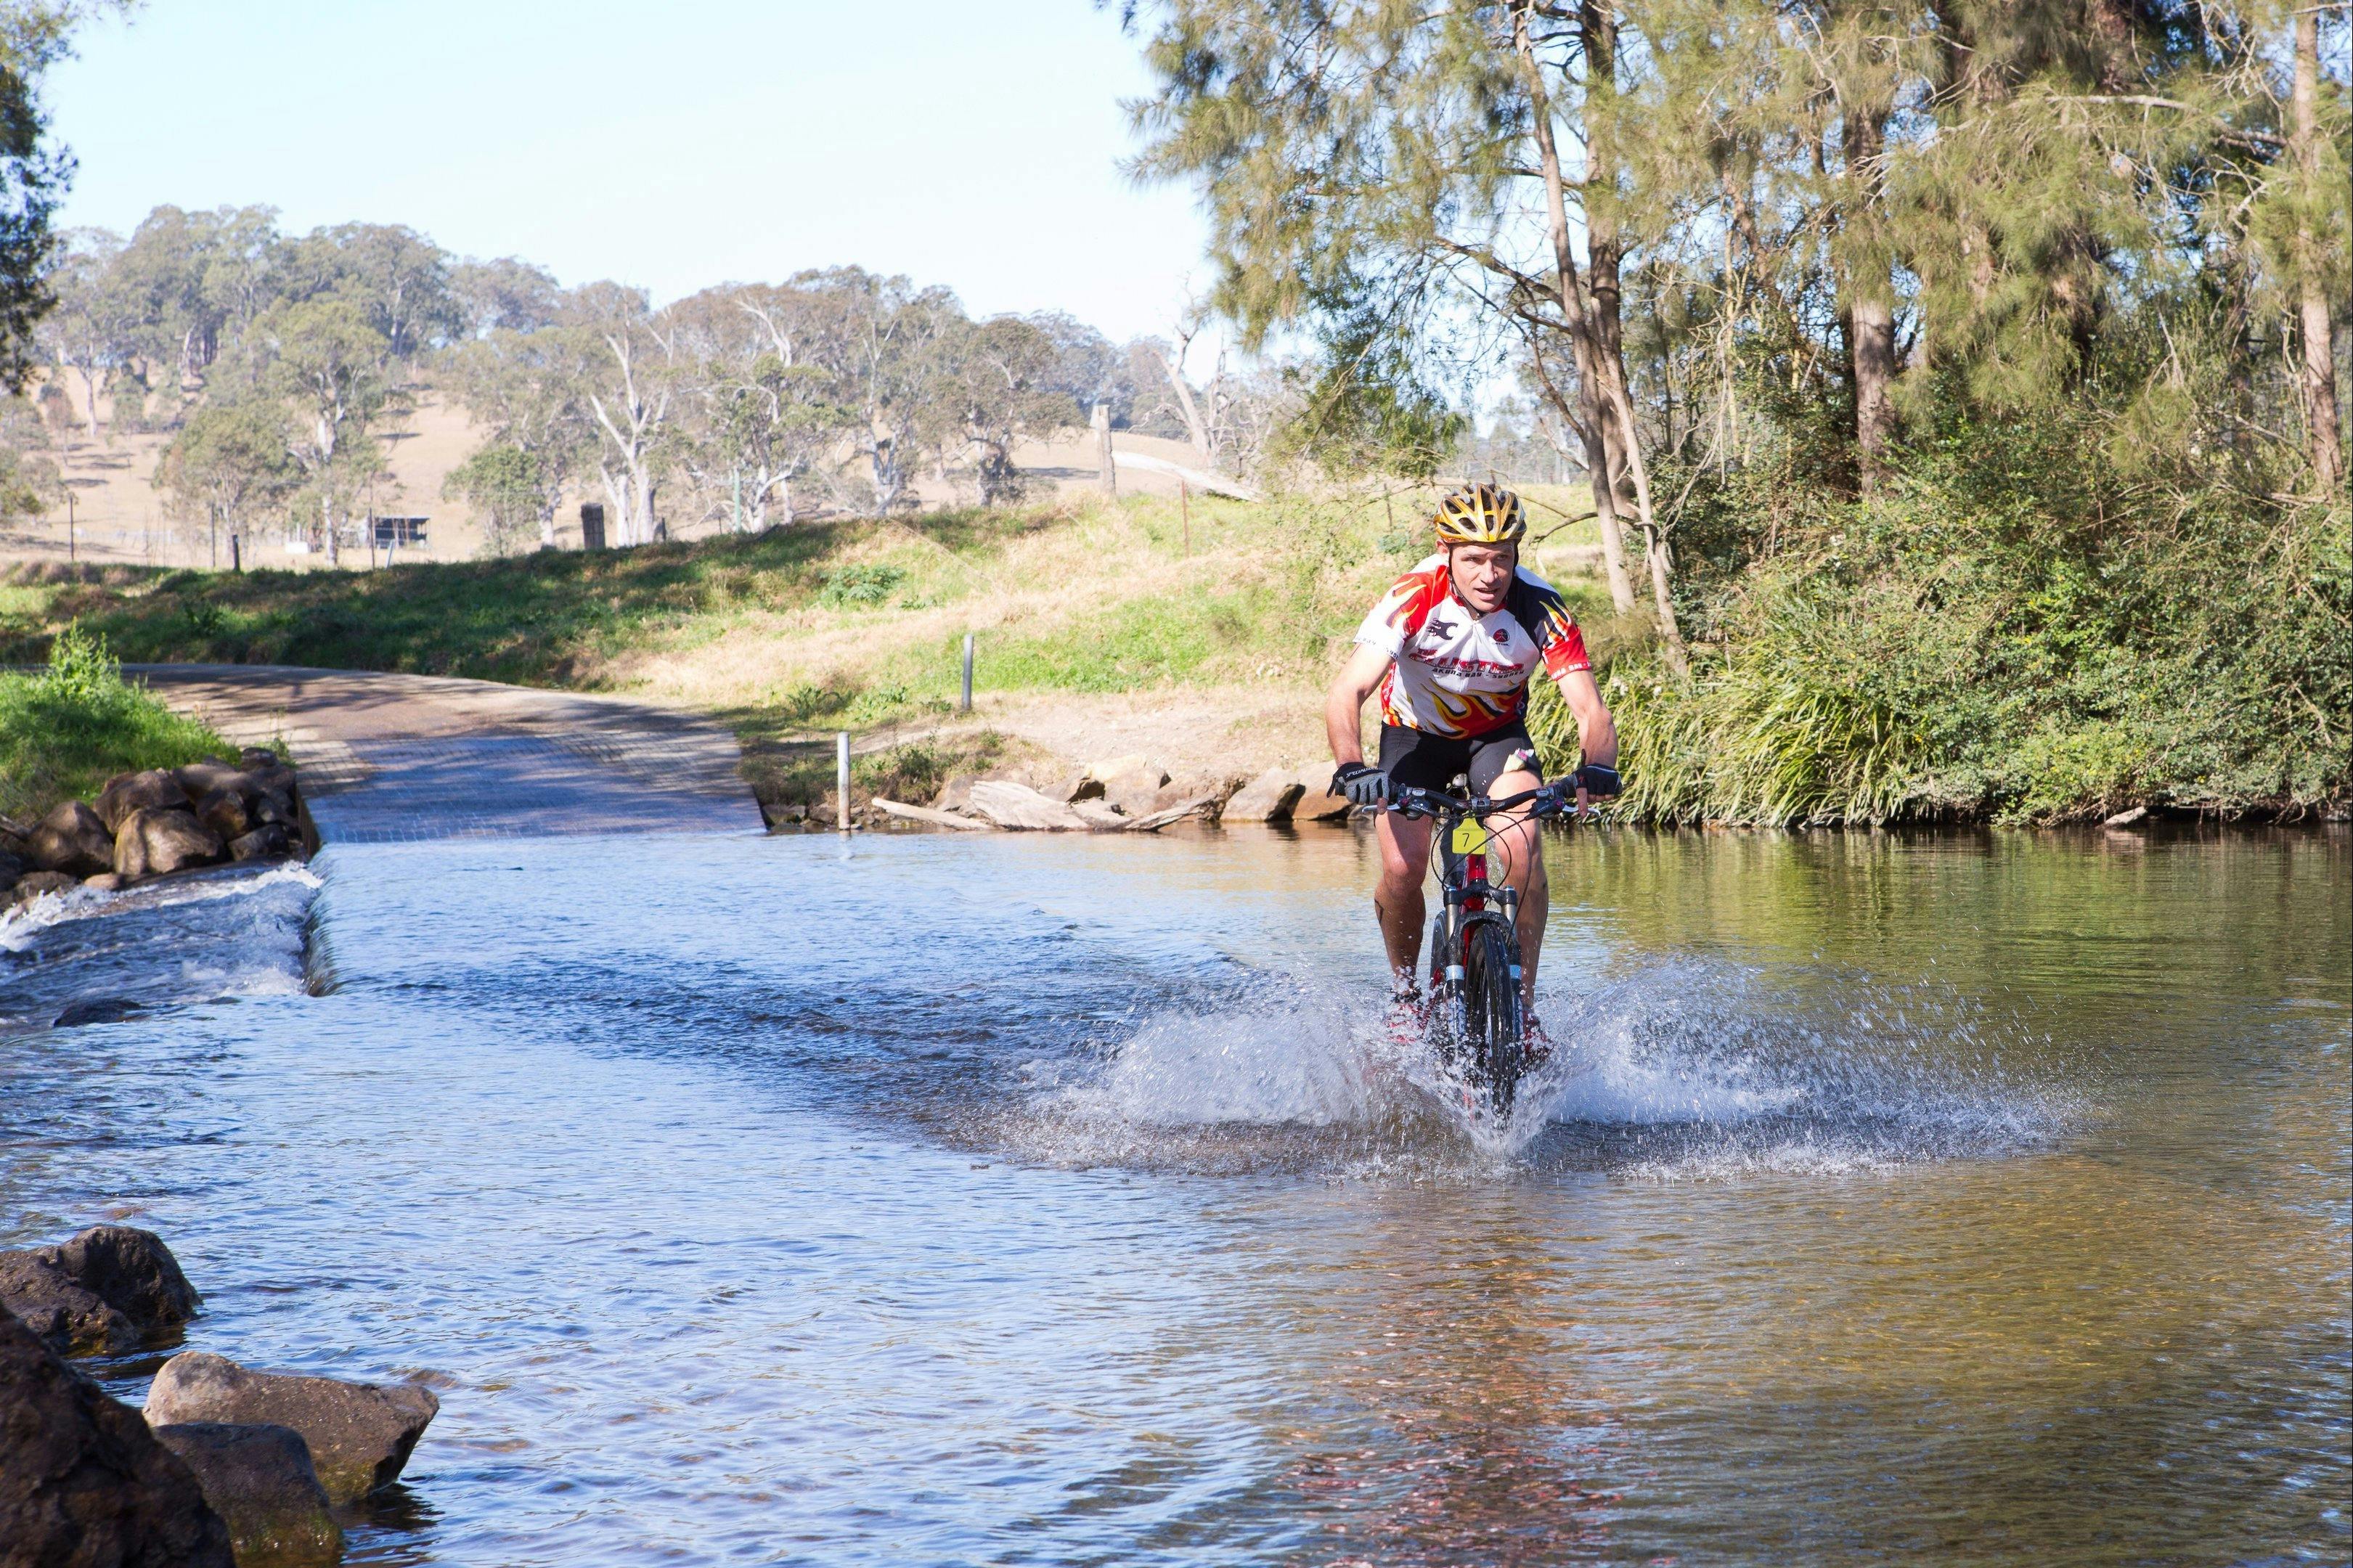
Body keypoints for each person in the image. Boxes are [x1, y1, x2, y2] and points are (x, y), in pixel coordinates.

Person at [1326, 482, 1620, 1022]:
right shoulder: (1414, 594)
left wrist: (1598, 767)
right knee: (1402, 866)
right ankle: (1404, 998)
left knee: (1522, 852)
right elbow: (1348, 692)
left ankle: (1524, 1008)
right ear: (1446, 553)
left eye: (1502, 559)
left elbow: (1590, 710)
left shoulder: (1540, 606)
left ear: (1516, 558)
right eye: (1475, 559)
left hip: (1497, 740)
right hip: (1414, 738)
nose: (1490, 574)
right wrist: (1350, 765)